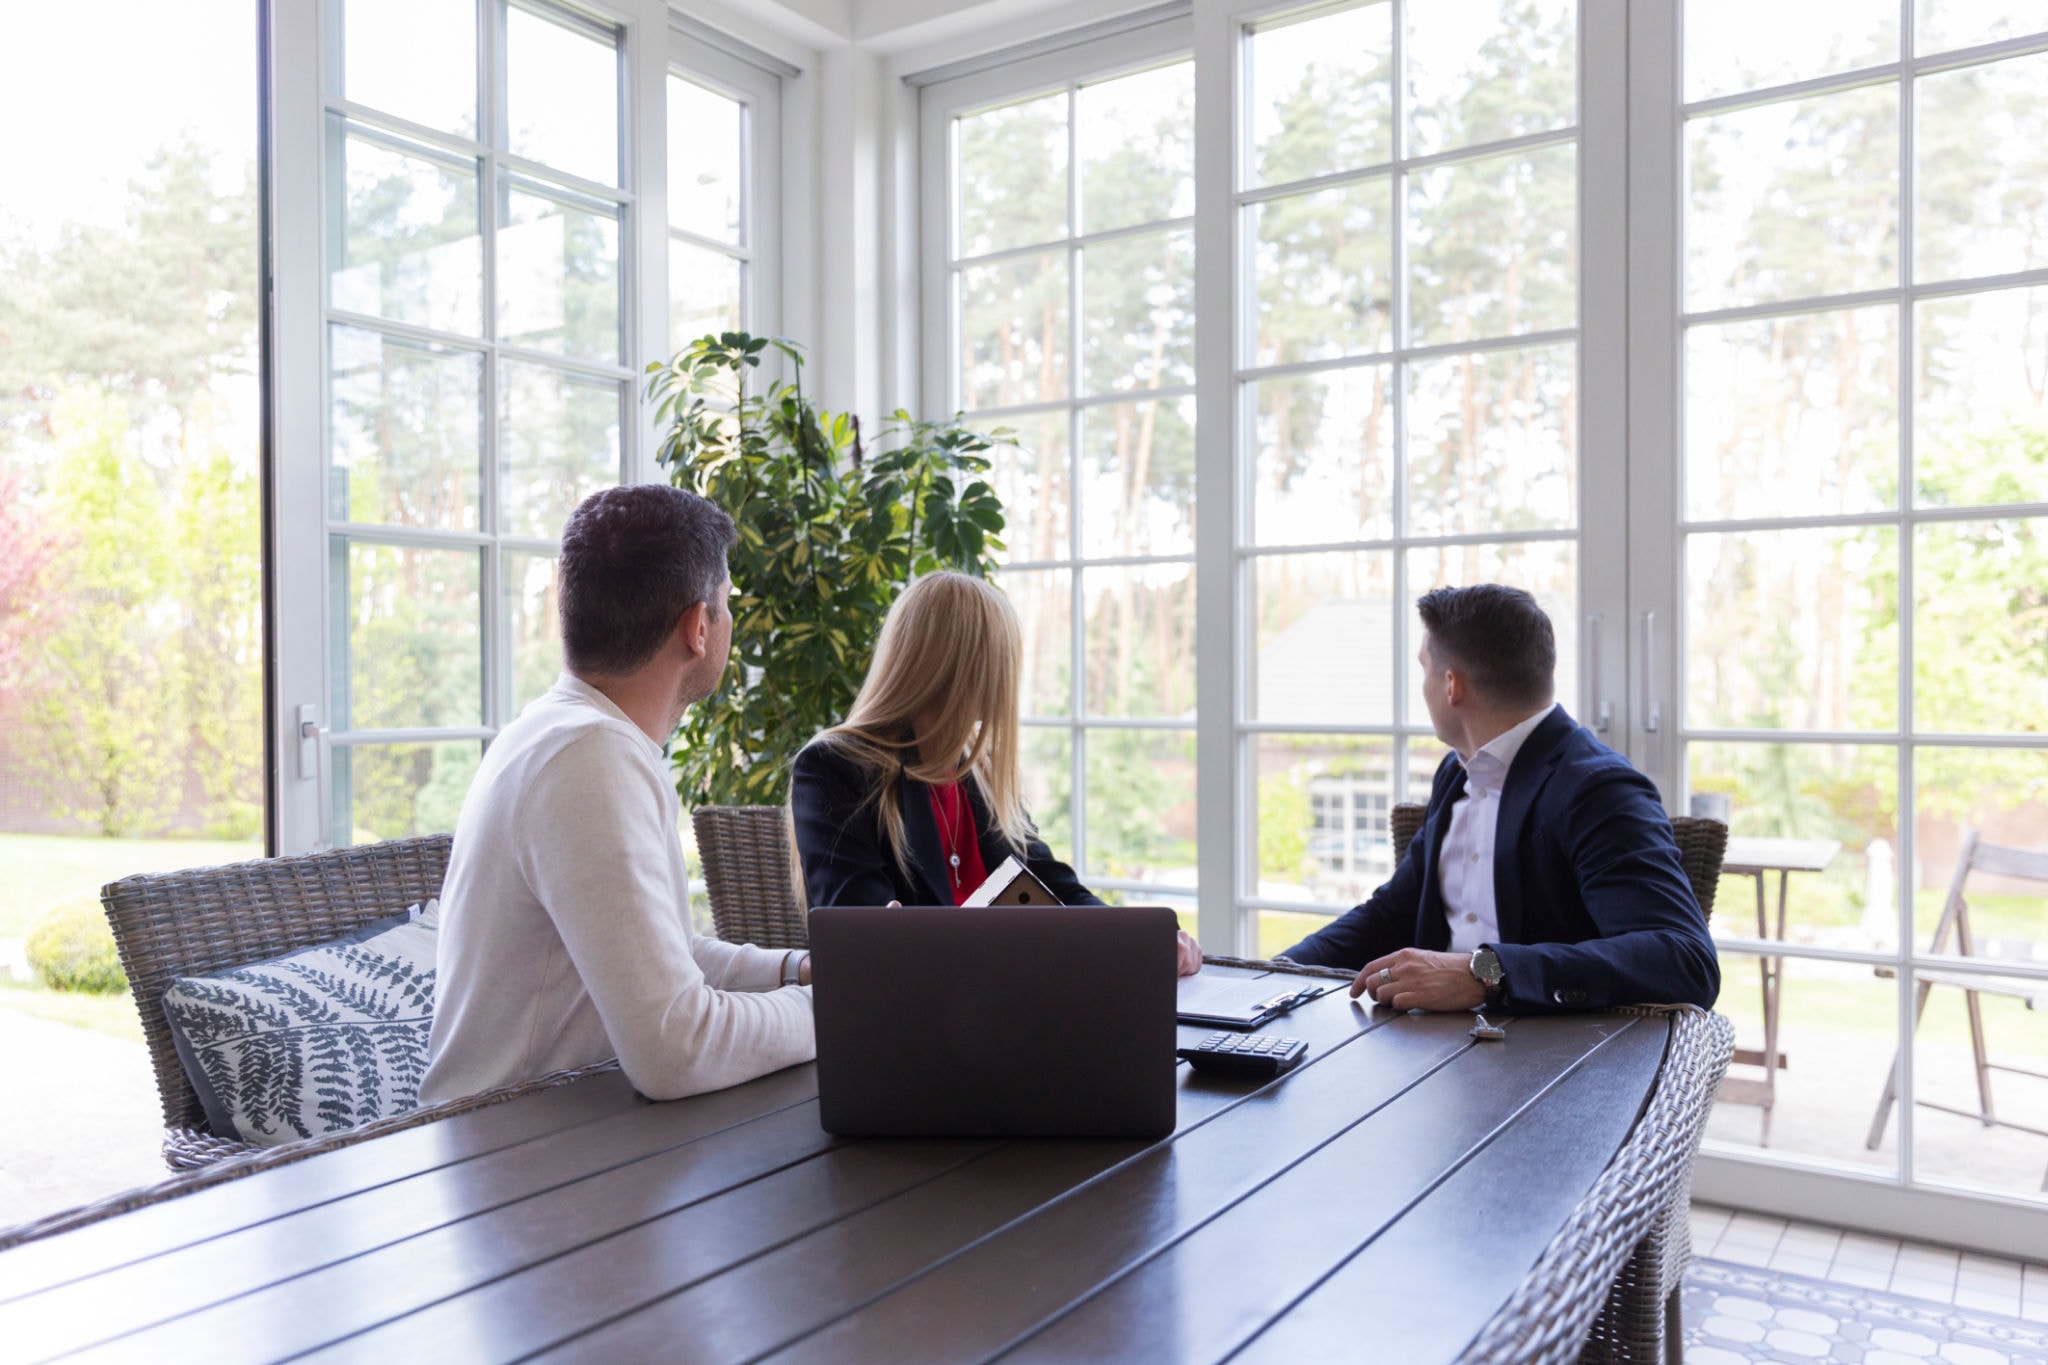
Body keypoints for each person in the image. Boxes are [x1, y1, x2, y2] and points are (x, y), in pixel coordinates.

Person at [420, 485, 815, 1105]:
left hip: (561, 1140)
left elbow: (662, 956)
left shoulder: (567, 735)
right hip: (513, 1166)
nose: (728, 619)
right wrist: (836, 1009)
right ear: (698, 628)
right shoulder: (587, 759)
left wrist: (795, 971)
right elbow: (675, 1050)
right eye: (727, 603)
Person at [1278, 584, 1719, 1014]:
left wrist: (1483, 973)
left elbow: (1684, 960)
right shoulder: (1457, 771)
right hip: (1425, 1044)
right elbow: (1393, 912)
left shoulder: (1598, 789)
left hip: (1550, 1062)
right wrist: (1277, 975)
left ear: (1451, 685)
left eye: (1424, 668)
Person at [789, 571, 1203, 976]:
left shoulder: (977, 771)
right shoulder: (836, 767)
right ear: (964, 667)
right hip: (920, 1018)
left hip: (1009, 1001)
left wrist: (1143, 938)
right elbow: (860, 943)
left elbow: (1051, 885)